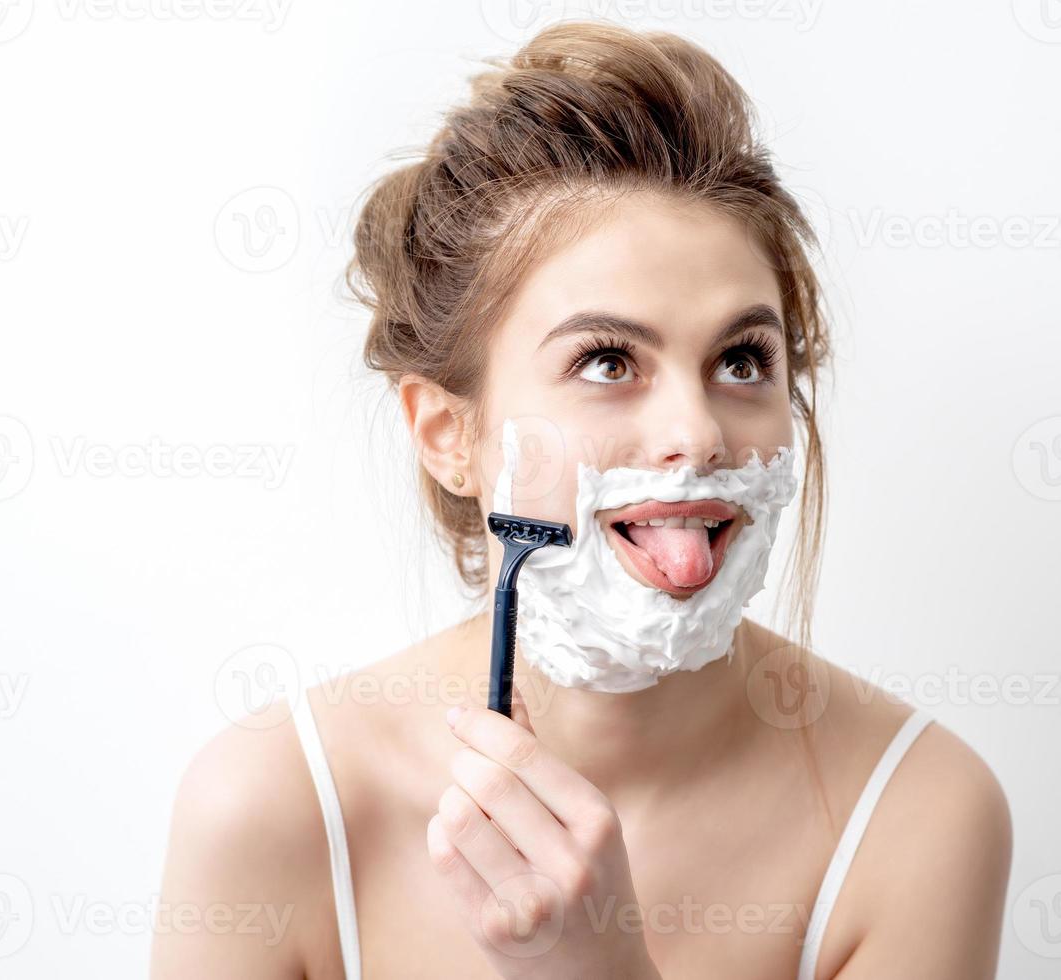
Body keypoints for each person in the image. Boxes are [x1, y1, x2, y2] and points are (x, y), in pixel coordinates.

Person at [152, 21, 1011, 979]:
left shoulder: (919, 814)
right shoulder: (274, 809)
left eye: (741, 359)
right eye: (607, 360)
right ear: (449, 436)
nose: (697, 433)